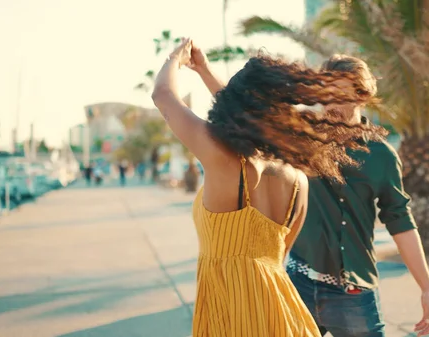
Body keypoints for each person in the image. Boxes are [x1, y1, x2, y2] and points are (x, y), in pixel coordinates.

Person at [151, 38, 387, 336]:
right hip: (282, 311)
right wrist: (205, 72)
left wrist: (176, 56)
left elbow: (163, 94)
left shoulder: (225, 162)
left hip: (235, 314)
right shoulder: (298, 179)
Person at [287, 55, 429, 337]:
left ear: (362, 96)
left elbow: (400, 221)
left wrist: (427, 287)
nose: (331, 106)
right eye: (326, 96)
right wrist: (205, 71)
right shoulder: (303, 141)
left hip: (352, 295)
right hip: (297, 286)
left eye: (340, 97)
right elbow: (248, 118)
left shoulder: (381, 156)